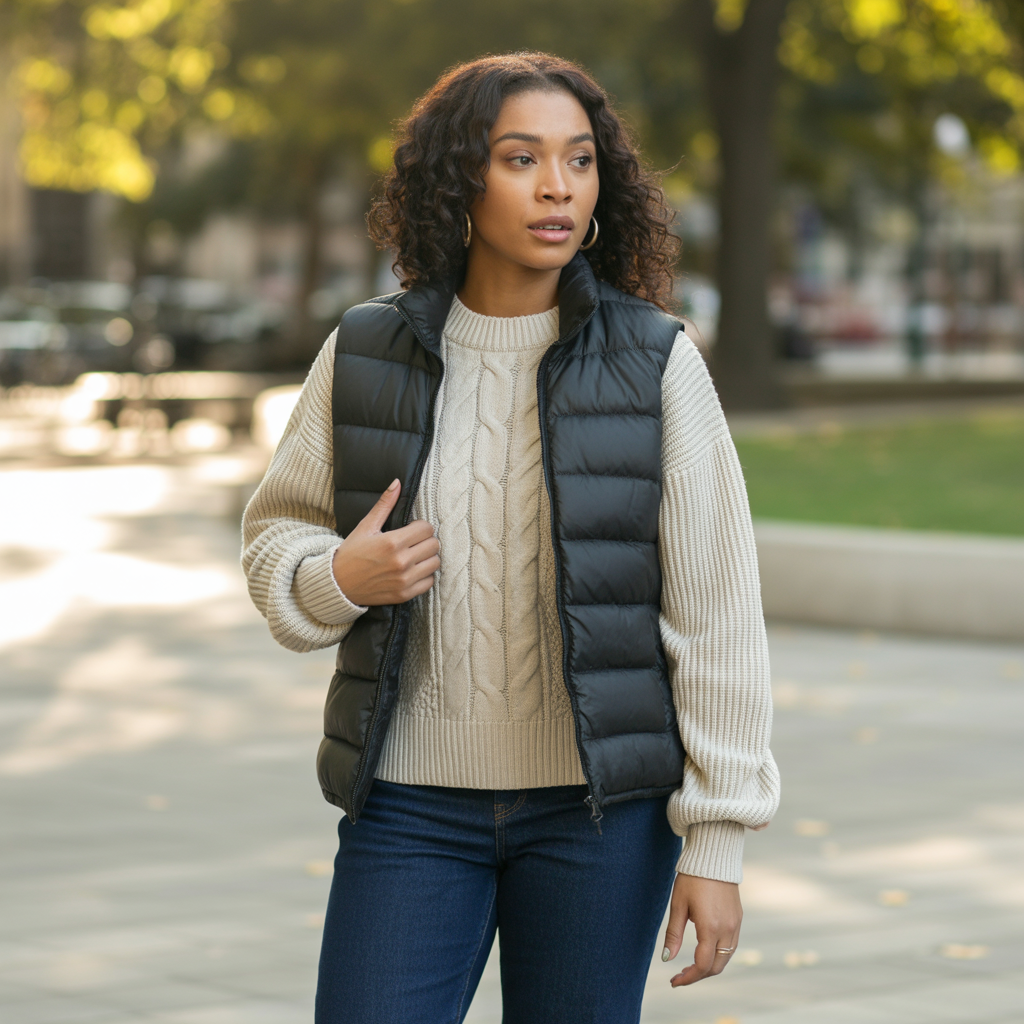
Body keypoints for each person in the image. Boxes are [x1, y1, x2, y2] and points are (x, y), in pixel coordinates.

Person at [242, 51, 779, 1024]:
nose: (556, 187)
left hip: (599, 816)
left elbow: (717, 619)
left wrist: (717, 840)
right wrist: (341, 576)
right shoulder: (365, 350)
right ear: (461, 179)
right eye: (521, 158)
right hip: (407, 803)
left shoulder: (655, 364)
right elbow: (274, 537)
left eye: (578, 161)